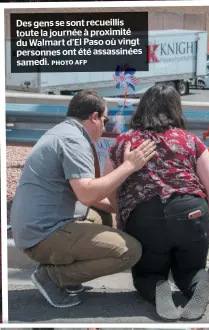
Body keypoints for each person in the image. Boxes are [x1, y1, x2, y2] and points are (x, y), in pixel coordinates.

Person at [10, 91, 157, 308]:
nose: (105, 127)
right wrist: (129, 166)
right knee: (130, 251)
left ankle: (67, 275)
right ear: (94, 117)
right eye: (105, 120)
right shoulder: (74, 140)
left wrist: (119, 207)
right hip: (42, 235)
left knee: (103, 215)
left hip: (33, 229)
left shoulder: (62, 132)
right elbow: (87, 193)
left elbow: (85, 195)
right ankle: (53, 277)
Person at [105, 83, 209, 321]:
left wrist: (122, 216)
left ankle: (158, 287)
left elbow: (110, 186)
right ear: (175, 109)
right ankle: (198, 286)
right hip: (192, 212)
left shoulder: (124, 141)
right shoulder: (190, 140)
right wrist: (208, 222)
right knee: (192, 270)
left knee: (148, 272)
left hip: (145, 216)